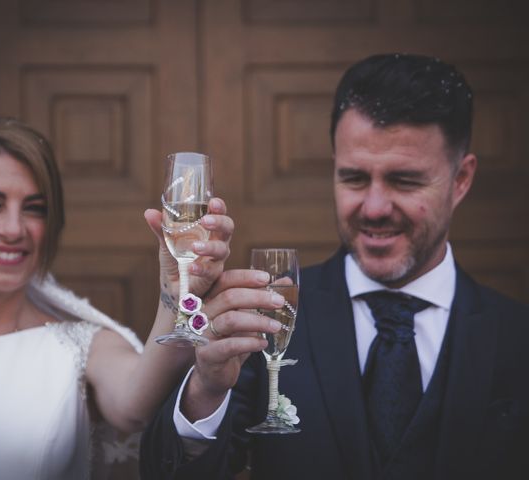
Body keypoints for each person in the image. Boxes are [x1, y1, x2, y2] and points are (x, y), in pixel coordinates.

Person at [138, 53, 529, 480]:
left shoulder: (516, 337)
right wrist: (207, 388)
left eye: (405, 180)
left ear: (461, 180)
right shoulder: (266, 315)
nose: (375, 208)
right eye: (354, 178)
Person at [0, 115, 283, 479]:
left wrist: (176, 294)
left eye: (35, 208)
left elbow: (135, 405)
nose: (13, 228)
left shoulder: (81, 343)